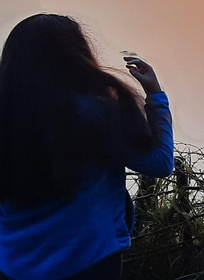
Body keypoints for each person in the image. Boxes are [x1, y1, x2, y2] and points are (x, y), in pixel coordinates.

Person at [0, 14, 174, 280]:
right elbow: (159, 163)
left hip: (12, 263)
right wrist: (155, 96)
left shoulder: (7, 116)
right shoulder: (97, 111)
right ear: (76, 56)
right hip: (88, 258)